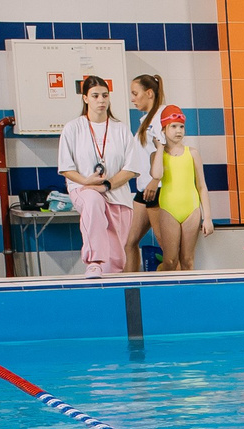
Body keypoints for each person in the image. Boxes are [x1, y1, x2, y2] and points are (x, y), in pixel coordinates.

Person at [57, 75, 138, 278]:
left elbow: (131, 168)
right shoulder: (73, 128)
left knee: (116, 259)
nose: (101, 100)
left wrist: (107, 185)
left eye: (104, 95)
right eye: (95, 96)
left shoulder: (121, 129)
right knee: (93, 201)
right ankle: (93, 261)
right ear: (85, 98)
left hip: (117, 194)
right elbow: (65, 168)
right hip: (83, 189)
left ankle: (110, 285)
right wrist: (86, 181)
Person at [147, 107, 211, 271]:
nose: (178, 131)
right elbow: (157, 175)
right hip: (168, 210)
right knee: (170, 260)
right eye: (173, 126)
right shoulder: (156, 156)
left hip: (192, 209)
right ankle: (162, 280)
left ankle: (189, 289)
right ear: (163, 129)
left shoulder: (193, 153)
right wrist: (160, 148)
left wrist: (207, 217)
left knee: (188, 260)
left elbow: (202, 186)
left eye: (181, 126)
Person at [122, 74, 163, 272]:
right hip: (143, 189)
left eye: (135, 93)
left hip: (157, 189)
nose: (133, 99)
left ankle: (178, 287)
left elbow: (166, 152)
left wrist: (156, 180)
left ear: (149, 93)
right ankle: (130, 287)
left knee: (169, 250)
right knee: (129, 243)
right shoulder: (146, 120)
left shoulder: (161, 118)